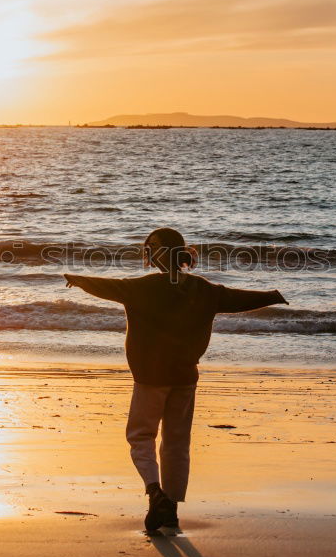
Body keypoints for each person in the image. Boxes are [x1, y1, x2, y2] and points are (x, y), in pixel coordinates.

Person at [63, 227, 288, 533]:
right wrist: (272, 296)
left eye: (151, 247)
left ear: (161, 253)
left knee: (141, 437)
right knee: (177, 443)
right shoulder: (204, 289)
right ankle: (170, 511)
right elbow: (238, 299)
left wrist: (78, 280)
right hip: (185, 376)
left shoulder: (142, 288)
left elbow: (108, 287)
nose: (149, 252)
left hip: (150, 376)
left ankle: (156, 494)